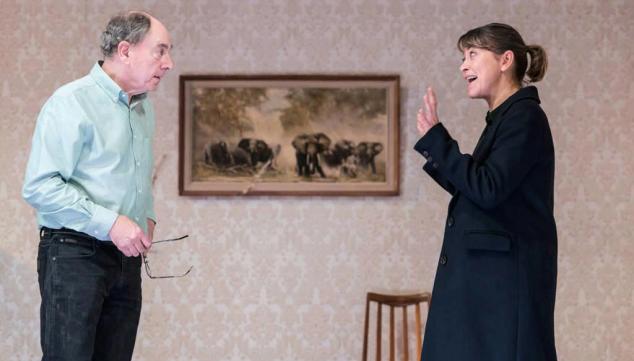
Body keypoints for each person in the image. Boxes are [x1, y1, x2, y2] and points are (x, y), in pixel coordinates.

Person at [22, 11, 173, 360]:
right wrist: (112, 222)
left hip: (126, 262)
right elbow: (40, 187)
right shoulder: (71, 102)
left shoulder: (143, 110)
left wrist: (145, 215)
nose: (168, 63)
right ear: (125, 50)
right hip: (75, 256)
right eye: (160, 51)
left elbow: (135, 176)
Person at [414, 23, 557, 361]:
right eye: (463, 57)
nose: (463, 65)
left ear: (505, 59)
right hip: (486, 290)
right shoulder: (505, 119)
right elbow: (482, 189)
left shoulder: (525, 118)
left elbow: (488, 188)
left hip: (500, 295)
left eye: (473, 54)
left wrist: (439, 140)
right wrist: (436, 149)